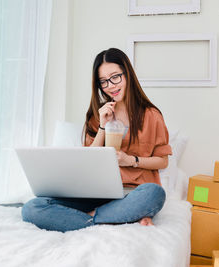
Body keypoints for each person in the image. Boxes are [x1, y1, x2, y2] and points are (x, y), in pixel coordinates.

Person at [21, 48, 172, 232]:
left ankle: (90, 218)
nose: (110, 85)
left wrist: (130, 160)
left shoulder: (151, 115)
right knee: (32, 207)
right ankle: (105, 218)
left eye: (115, 77)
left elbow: (163, 161)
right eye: (103, 81)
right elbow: (88, 159)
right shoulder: (98, 115)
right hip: (95, 193)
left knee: (154, 194)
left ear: (128, 74)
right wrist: (102, 126)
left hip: (132, 193)